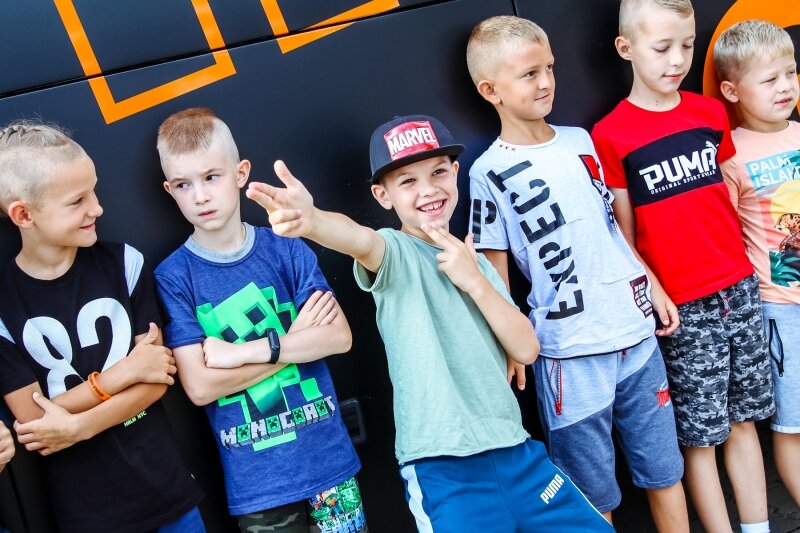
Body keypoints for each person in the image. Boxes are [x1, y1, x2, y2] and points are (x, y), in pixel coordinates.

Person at [246, 113, 614, 531]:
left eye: (438, 172)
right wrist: (313, 221)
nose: (428, 190)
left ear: (455, 172)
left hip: (518, 453)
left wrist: (475, 280)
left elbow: (526, 349)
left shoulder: (476, 264)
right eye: (408, 181)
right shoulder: (396, 253)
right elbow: (358, 238)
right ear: (383, 196)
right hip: (445, 471)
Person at [466, 15, 688, 530]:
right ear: (490, 90)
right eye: (529, 74)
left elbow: (611, 230)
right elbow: (494, 273)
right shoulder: (487, 172)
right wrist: (509, 344)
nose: (545, 82)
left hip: (637, 334)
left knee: (664, 471)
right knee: (591, 494)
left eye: (549, 68)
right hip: (569, 352)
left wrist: (651, 284)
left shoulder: (581, 140)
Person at [591, 2, 775, 532]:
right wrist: (653, 288)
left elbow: (732, 200)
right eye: (663, 47)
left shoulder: (710, 113)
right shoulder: (611, 133)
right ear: (626, 48)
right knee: (700, 437)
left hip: (738, 287)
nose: (678, 60)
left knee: (744, 421)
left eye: (688, 45)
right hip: (683, 306)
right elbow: (622, 233)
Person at [153, 107, 365, 533]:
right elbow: (200, 386)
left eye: (211, 177)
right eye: (183, 184)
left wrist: (243, 353)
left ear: (241, 173)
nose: (200, 196)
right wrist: (295, 340)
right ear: (169, 190)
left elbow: (339, 336)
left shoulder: (286, 246)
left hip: (330, 467)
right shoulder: (174, 277)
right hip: (259, 485)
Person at [0, 121, 204, 533]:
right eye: (77, 200)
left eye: (94, 191)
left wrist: (78, 426)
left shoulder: (124, 262)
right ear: (24, 214)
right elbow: (34, 420)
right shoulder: (4, 301)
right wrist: (121, 374)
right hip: (88, 516)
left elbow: (156, 379)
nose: (97, 208)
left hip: (168, 495)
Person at [714, 19, 800, 508]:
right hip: (781, 309)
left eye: (790, 72)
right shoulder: (732, 155)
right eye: (769, 79)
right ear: (732, 91)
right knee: (792, 426)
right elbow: (725, 234)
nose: (785, 86)